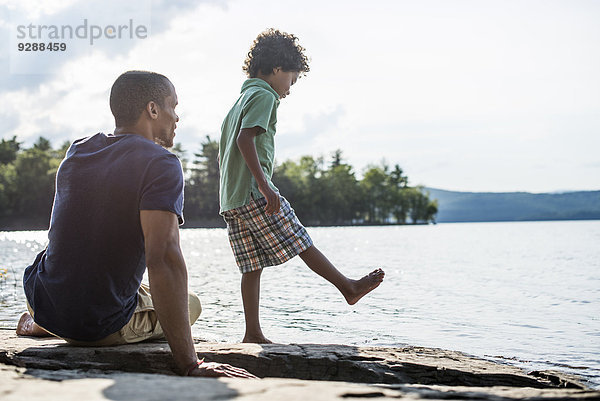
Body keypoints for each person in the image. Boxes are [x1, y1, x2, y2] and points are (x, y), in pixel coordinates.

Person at [17, 70, 254, 378]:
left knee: (109, 281)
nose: (177, 117)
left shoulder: (78, 150)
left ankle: (40, 321)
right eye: (173, 106)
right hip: (96, 329)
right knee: (191, 303)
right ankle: (63, 325)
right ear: (152, 110)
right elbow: (165, 258)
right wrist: (190, 364)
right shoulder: (161, 163)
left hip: (41, 299)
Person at [219, 29, 385, 344]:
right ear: (278, 68)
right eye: (292, 81)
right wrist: (266, 186)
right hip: (254, 193)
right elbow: (244, 140)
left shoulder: (239, 99)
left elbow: (226, 150)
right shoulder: (264, 96)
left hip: (231, 199)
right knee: (301, 240)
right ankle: (348, 288)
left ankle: (252, 333)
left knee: (251, 266)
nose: (290, 90)